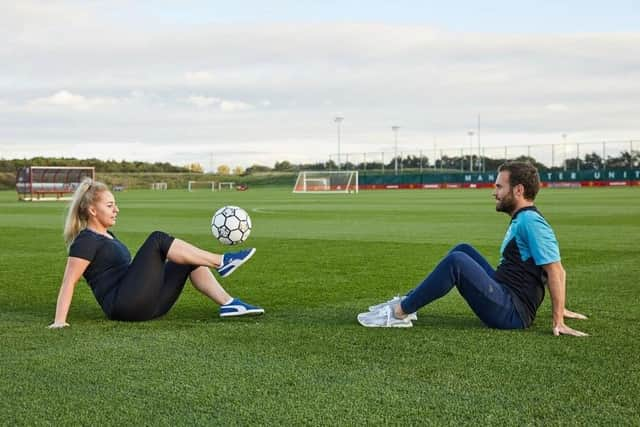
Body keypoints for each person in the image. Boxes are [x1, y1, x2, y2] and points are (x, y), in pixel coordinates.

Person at [358, 161, 588, 336]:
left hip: (513, 313)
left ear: (518, 190)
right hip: (505, 290)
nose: (494, 193)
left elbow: (556, 270)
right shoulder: (522, 218)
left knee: (457, 262)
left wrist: (558, 318)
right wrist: (561, 306)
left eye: (499, 187)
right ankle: (409, 301)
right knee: (463, 249)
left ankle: (399, 313)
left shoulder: (531, 222)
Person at [49, 178, 263, 328]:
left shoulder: (108, 236)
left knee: (187, 259)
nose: (117, 210)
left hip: (148, 305)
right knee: (157, 239)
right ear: (93, 211)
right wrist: (60, 320)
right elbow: (69, 281)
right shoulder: (85, 240)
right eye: (110, 205)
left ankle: (229, 304)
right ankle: (222, 261)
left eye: (116, 205)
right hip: (123, 306)